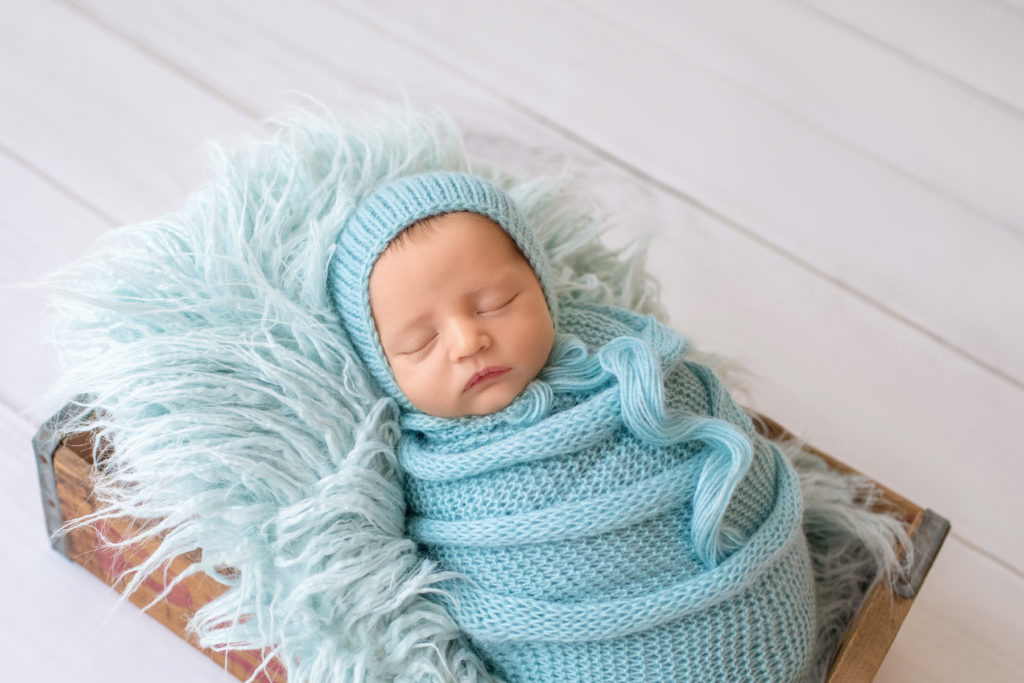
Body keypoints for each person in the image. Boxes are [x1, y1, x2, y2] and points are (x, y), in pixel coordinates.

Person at [330, 171, 816, 682]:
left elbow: (736, 464)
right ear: (384, 368)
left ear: (540, 282)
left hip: (766, 625)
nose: (467, 341)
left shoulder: (634, 369)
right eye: (420, 343)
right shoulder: (434, 478)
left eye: (495, 304)